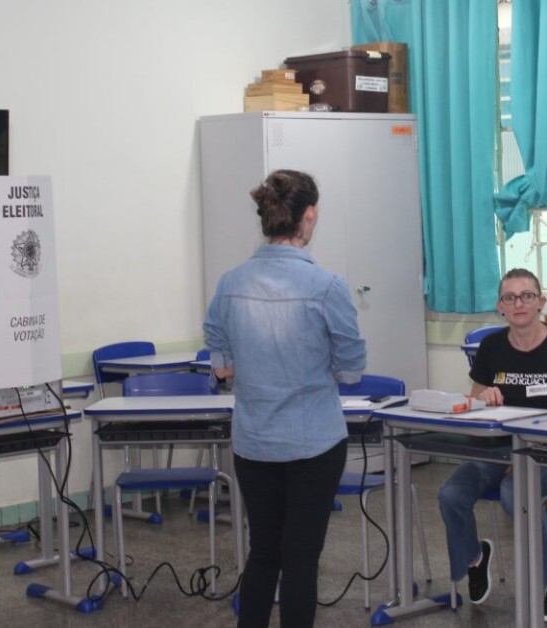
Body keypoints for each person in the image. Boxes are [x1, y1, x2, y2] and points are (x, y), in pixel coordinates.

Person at [203, 169, 367, 628]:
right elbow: (352, 369)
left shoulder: (229, 283)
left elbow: (221, 362)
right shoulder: (328, 286)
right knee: (301, 562)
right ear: (309, 215)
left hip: (254, 443)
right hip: (314, 444)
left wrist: (245, 364)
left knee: (263, 554)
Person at [437, 268, 547, 624]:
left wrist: (528, 455)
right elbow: (473, 404)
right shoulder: (491, 347)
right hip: (499, 451)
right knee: (451, 494)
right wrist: (484, 397)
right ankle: (475, 559)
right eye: (510, 297)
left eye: (527, 296)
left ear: (541, 302)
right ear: (500, 306)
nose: (518, 304)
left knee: (515, 490)